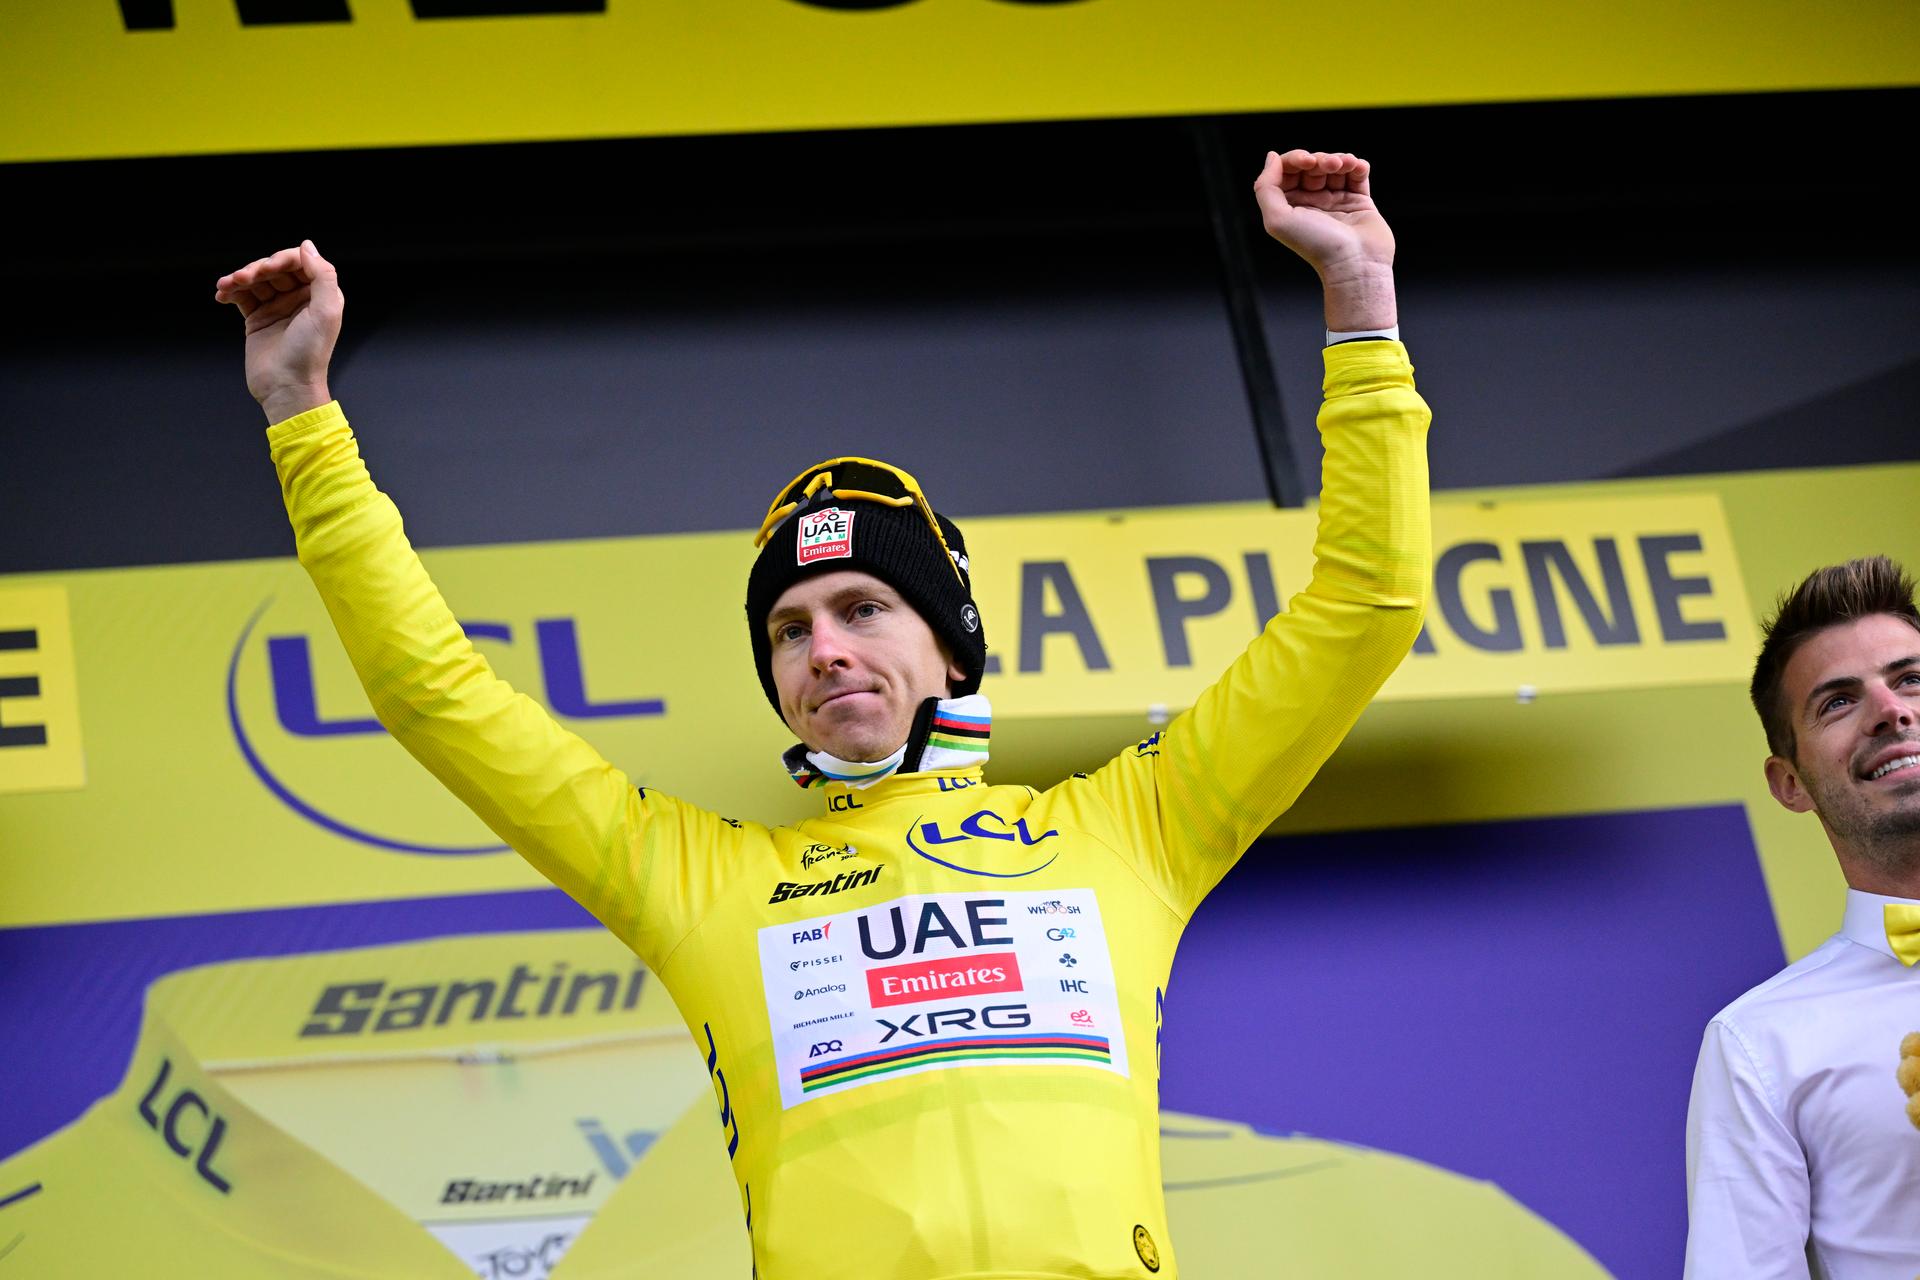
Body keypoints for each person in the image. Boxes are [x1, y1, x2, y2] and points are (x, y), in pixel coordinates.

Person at [214, 148, 1430, 1280]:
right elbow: (439, 695)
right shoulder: (698, 881)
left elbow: (1366, 605)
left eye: (862, 606)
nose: (824, 647)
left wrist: (1360, 295)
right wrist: (303, 419)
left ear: (950, 645)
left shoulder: (1130, 827)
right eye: (789, 629)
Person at [1685, 555, 1920, 1278]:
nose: (1893, 709)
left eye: (1911, 678)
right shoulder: (1757, 1044)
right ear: (1790, 784)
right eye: (1838, 702)